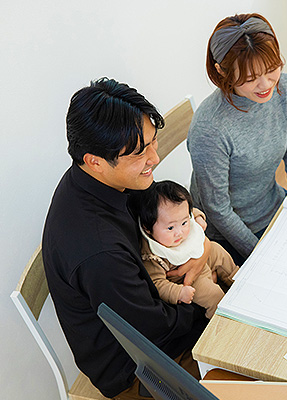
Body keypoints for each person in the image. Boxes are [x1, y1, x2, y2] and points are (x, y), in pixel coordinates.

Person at [42, 78, 212, 399]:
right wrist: (203, 292)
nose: (154, 159)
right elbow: (153, 330)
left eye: (153, 142)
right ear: (95, 161)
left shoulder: (101, 179)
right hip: (140, 370)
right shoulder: (98, 250)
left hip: (154, 297)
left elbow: (161, 214)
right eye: (138, 153)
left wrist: (200, 256)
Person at [188, 13, 287, 265]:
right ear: (222, 71)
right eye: (250, 78)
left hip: (274, 204)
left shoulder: (285, 89)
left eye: (271, 69)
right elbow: (218, 210)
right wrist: (260, 255)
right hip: (228, 235)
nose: (265, 84)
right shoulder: (210, 128)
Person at [129, 180, 238, 319]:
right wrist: (178, 292)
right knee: (215, 296)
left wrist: (198, 217)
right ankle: (220, 321)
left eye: (184, 223)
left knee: (217, 250)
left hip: (200, 256)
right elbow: (157, 283)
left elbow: (189, 211)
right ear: (147, 228)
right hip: (187, 279)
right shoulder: (152, 254)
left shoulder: (176, 216)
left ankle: (237, 281)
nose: (179, 232)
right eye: (170, 228)